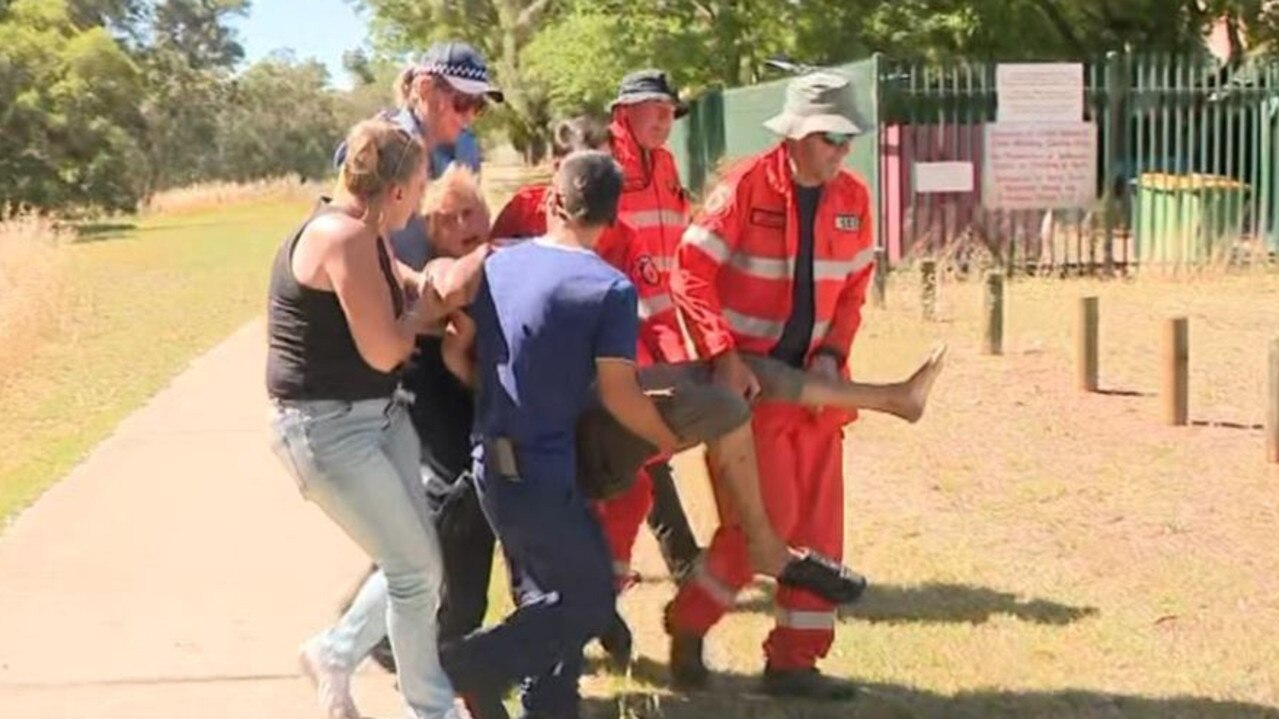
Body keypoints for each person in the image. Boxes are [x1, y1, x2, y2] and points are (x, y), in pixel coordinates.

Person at [437, 151, 676, 719]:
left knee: (546, 598)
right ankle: (467, 666)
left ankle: (547, 706)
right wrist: (663, 436)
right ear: (613, 219)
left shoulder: (498, 263)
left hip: (491, 465)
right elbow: (621, 392)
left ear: (551, 203)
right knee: (589, 597)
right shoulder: (609, 288)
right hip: (541, 473)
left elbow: (468, 357)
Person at [664, 70, 877, 699]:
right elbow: (689, 272)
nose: (841, 150)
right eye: (831, 137)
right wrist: (723, 355)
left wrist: (836, 354)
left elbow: (855, 291)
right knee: (765, 526)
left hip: (816, 397)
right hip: (750, 396)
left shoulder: (855, 199)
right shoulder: (745, 188)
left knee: (819, 529)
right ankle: (689, 623)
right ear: (797, 135)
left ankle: (794, 663)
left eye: (848, 138)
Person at [265, 119, 459, 719]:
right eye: (422, 187)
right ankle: (431, 709)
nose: (423, 201)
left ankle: (335, 650)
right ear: (397, 191)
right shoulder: (342, 237)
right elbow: (385, 349)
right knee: (412, 573)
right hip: (327, 431)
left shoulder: (362, 226)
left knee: (423, 570)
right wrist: (424, 313)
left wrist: (428, 285)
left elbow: (394, 278)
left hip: (376, 417)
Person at [324, 165, 497, 684]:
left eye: (472, 213)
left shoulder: (495, 268)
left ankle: (408, 632)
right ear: (431, 231)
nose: (465, 224)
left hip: (470, 400)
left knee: (456, 516)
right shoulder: (429, 283)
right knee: (451, 505)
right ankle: (393, 637)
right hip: (431, 395)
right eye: (450, 218)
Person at [336, 40, 502, 271]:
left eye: (479, 106)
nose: (470, 117)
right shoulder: (378, 145)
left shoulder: (468, 148)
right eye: (462, 103)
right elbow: (347, 240)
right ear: (424, 89)